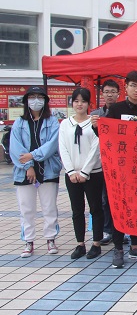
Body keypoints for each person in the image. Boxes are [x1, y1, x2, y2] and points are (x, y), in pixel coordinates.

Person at [105, 71, 137, 268]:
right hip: (119, 171)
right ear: (125, 87)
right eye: (133, 86)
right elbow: (105, 136)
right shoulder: (115, 110)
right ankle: (118, 248)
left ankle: (135, 246)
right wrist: (96, 127)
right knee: (119, 209)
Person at [10, 86, 62, 258]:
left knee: (49, 207)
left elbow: (52, 146)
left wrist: (32, 155)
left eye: (40, 97)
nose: (36, 101)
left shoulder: (52, 122)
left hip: (48, 170)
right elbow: (15, 149)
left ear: (45, 101)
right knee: (26, 209)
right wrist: (28, 166)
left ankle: (50, 239)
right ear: (26, 101)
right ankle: (28, 241)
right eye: (32, 97)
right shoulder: (19, 123)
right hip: (24, 172)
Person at [59, 88, 104, 259]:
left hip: (93, 173)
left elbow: (96, 148)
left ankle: (96, 243)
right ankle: (80, 244)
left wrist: (85, 172)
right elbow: (62, 148)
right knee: (77, 210)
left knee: (95, 208)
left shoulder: (94, 123)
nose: (80, 104)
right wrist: (70, 171)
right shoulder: (65, 124)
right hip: (72, 175)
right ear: (72, 103)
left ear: (88, 104)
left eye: (83, 101)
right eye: (76, 101)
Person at [90, 79, 120, 246]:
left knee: (120, 198)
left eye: (113, 92)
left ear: (118, 94)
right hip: (101, 163)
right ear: (102, 94)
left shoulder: (122, 113)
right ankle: (108, 230)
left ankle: (122, 230)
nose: (110, 95)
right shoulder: (95, 115)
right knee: (104, 199)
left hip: (120, 162)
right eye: (107, 92)